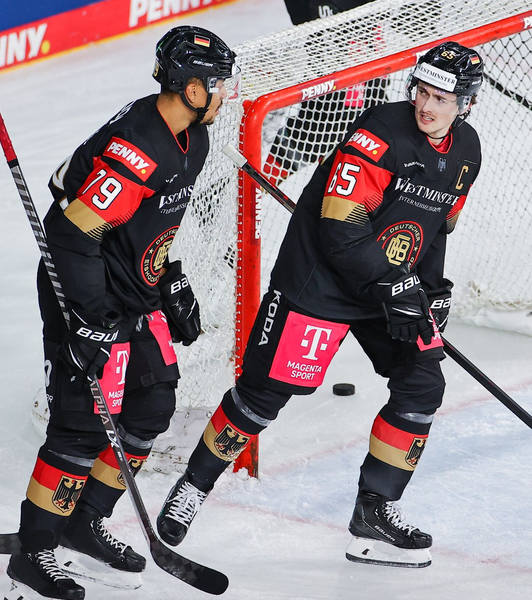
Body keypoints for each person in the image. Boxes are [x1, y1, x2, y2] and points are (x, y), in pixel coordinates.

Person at [157, 41, 483, 569]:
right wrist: (395, 286)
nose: (428, 106)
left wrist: (430, 286)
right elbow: (340, 227)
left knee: (423, 384)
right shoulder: (381, 134)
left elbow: (435, 226)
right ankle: (193, 486)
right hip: (320, 283)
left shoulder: (466, 152)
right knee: (262, 397)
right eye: (422, 92)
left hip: (385, 286)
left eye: (442, 99)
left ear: (465, 104)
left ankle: (375, 509)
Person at [5, 26, 239, 600]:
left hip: (133, 293)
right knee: (83, 423)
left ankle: (86, 520)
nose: (225, 94)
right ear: (189, 88)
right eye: (217, 84)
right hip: (84, 291)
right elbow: (71, 237)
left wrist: (168, 279)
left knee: (152, 402)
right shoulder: (137, 147)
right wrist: (88, 319)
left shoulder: (193, 138)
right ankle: (33, 553)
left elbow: (149, 227)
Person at [264, 0, 441, 182]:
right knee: (315, 134)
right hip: (332, 96)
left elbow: (421, 23)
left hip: (366, 88)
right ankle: (252, 194)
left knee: (375, 138)